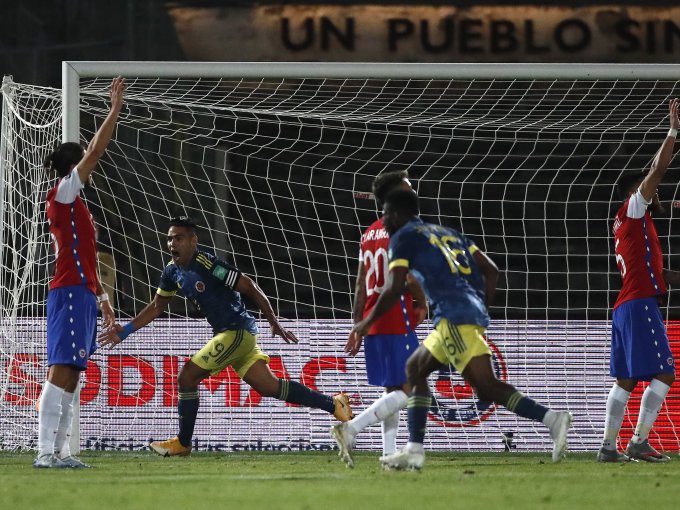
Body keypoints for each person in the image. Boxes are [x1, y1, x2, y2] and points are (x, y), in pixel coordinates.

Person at [350, 189, 572, 470]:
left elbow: (396, 285)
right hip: (463, 312)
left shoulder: (407, 238)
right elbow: (491, 269)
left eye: (387, 215)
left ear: (397, 215)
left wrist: (364, 322)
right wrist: (481, 309)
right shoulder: (448, 233)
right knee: (428, 373)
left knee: (479, 385)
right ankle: (414, 451)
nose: (385, 221)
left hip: (453, 315)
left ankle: (551, 419)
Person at [99, 216, 353, 457]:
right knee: (269, 387)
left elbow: (249, 286)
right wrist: (127, 330)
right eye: (169, 239)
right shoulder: (171, 272)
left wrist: (273, 321)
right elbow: (157, 305)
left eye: (178, 238)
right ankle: (334, 404)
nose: (172, 244)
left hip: (237, 331)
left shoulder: (209, 265)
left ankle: (183, 443)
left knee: (187, 376)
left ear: (193, 241)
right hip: (230, 335)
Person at [35, 77, 125, 469]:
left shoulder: (79, 208)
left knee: (75, 374)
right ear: (73, 167)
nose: (89, 167)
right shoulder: (64, 193)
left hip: (84, 292)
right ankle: (43, 453)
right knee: (61, 370)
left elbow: (88, 259)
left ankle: (62, 453)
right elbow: (96, 150)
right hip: (68, 290)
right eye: (82, 163)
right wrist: (114, 109)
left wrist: (104, 300)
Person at [599, 99, 680, 463]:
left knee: (626, 381)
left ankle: (606, 448)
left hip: (626, 305)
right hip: (639, 303)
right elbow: (657, 170)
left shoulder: (630, 228)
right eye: (649, 189)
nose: (656, 192)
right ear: (635, 192)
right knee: (665, 372)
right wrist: (674, 130)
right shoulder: (633, 208)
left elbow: (660, 275)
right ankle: (638, 442)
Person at [332, 170, 427, 468]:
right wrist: (423, 304)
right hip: (395, 316)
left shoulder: (369, 232)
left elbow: (360, 283)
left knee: (392, 391)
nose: (413, 191)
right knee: (411, 390)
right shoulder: (404, 229)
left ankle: (388, 455)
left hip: (373, 320)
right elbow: (409, 277)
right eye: (408, 187)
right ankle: (351, 428)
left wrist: (358, 323)